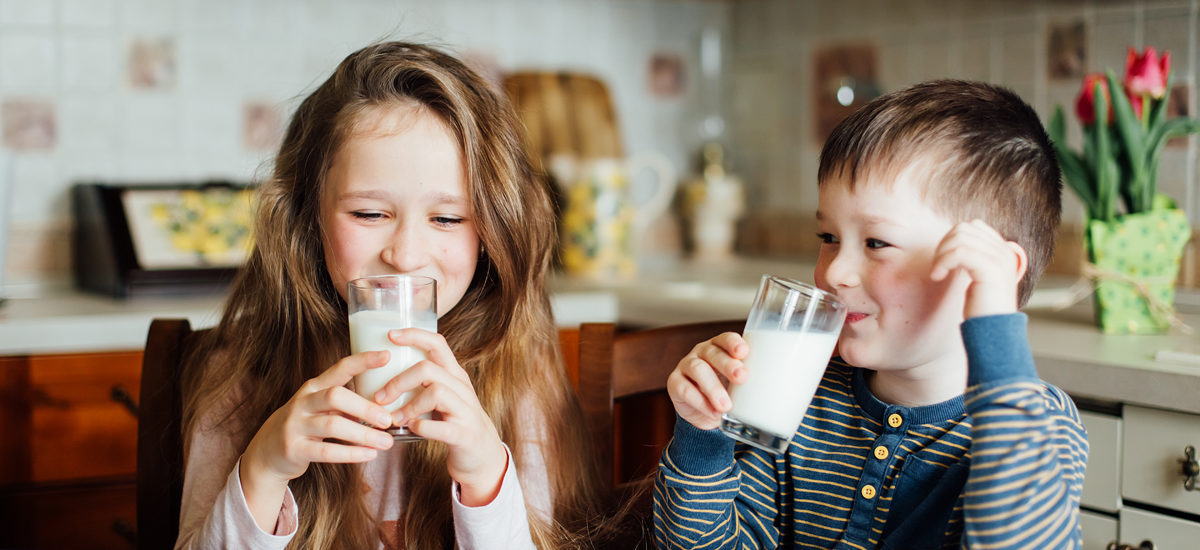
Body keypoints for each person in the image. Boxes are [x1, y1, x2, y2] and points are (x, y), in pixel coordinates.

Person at [177, 41, 606, 550]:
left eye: (446, 218)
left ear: (494, 229)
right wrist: (264, 470)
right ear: (307, 217)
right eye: (369, 214)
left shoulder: (519, 379)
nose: (405, 255)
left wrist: (487, 477)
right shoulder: (242, 375)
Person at [654, 80, 1089, 549]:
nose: (835, 272)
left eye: (877, 243)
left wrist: (996, 326)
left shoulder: (1033, 421)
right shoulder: (801, 396)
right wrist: (703, 438)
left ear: (987, 274)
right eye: (828, 238)